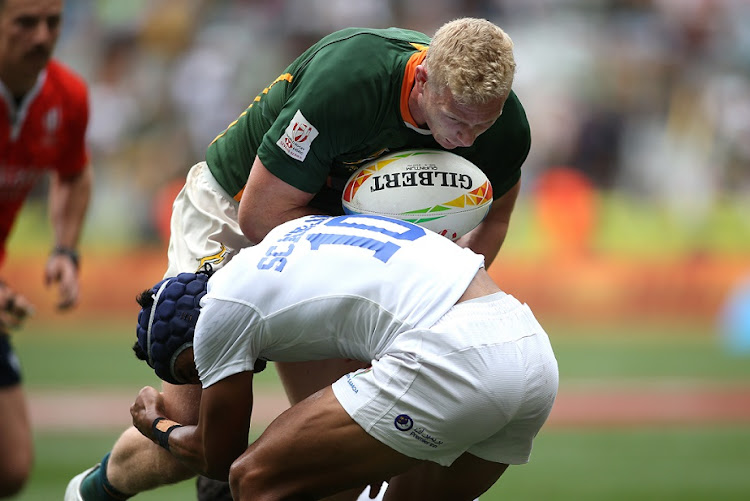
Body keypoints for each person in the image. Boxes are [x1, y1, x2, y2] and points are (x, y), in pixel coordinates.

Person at [66, 17, 530, 500]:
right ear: (423, 79)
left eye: (484, 122)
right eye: (456, 119)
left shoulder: (504, 124)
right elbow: (260, 215)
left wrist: (418, 298)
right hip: (236, 207)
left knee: (339, 448)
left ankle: (225, 485)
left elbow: (493, 218)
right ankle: (91, 493)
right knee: (190, 427)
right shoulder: (349, 80)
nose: (469, 140)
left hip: (345, 238)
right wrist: (367, 287)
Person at [140, 215, 556, 500]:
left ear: (193, 339)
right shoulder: (290, 235)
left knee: (253, 479)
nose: (203, 382)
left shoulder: (217, 312)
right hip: (531, 351)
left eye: (192, 371)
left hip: (452, 351)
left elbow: (218, 459)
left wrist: (156, 424)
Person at [0, 0, 91, 497]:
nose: (41, 36)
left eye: (52, 22)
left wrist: (65, 250)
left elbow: (74, 173)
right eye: (24, 23)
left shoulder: (67, 95)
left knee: (11, 466)